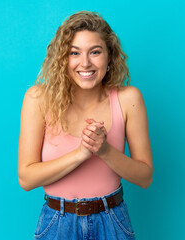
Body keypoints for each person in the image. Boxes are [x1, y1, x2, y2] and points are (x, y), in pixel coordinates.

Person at [18, 10, 153, 240]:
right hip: (57, 223)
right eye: (74, 53)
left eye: (95, 52)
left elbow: (145, 177)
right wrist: (81, 154)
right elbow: (26, 178)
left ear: (109, 56)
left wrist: (105, 150)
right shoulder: (37, 99)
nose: (85, 63)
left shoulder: (129, 99)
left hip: (112, 220)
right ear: (63, 58)